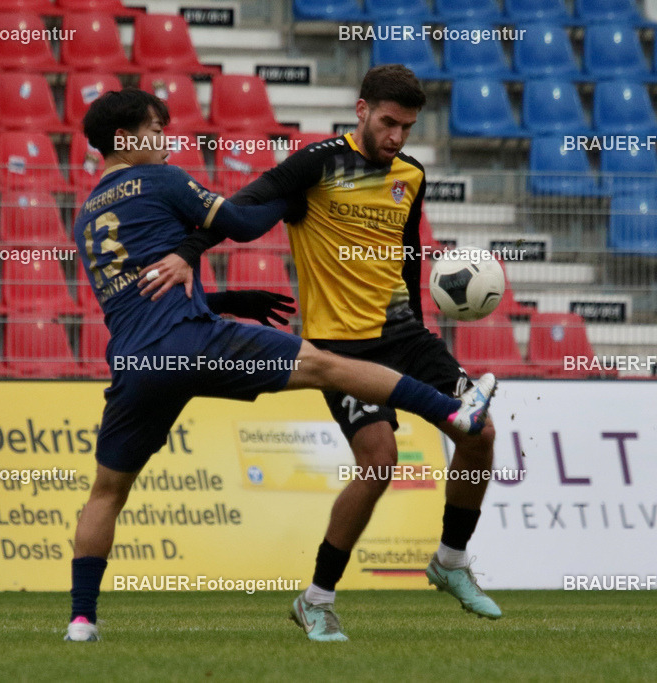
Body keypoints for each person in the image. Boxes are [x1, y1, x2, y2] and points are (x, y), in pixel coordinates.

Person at [65, 88, 496, 642]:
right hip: (194, 342)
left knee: (107, 492)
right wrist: (294, 192)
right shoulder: (161, 179)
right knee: (326, 365)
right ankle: (450, 413)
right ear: (125, 139)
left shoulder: (86, 217)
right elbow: (242, 223)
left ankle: (81, 620)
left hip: (136, 362)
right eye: (156, 130)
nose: (165, 141)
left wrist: (227, 299)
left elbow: (139, 294)